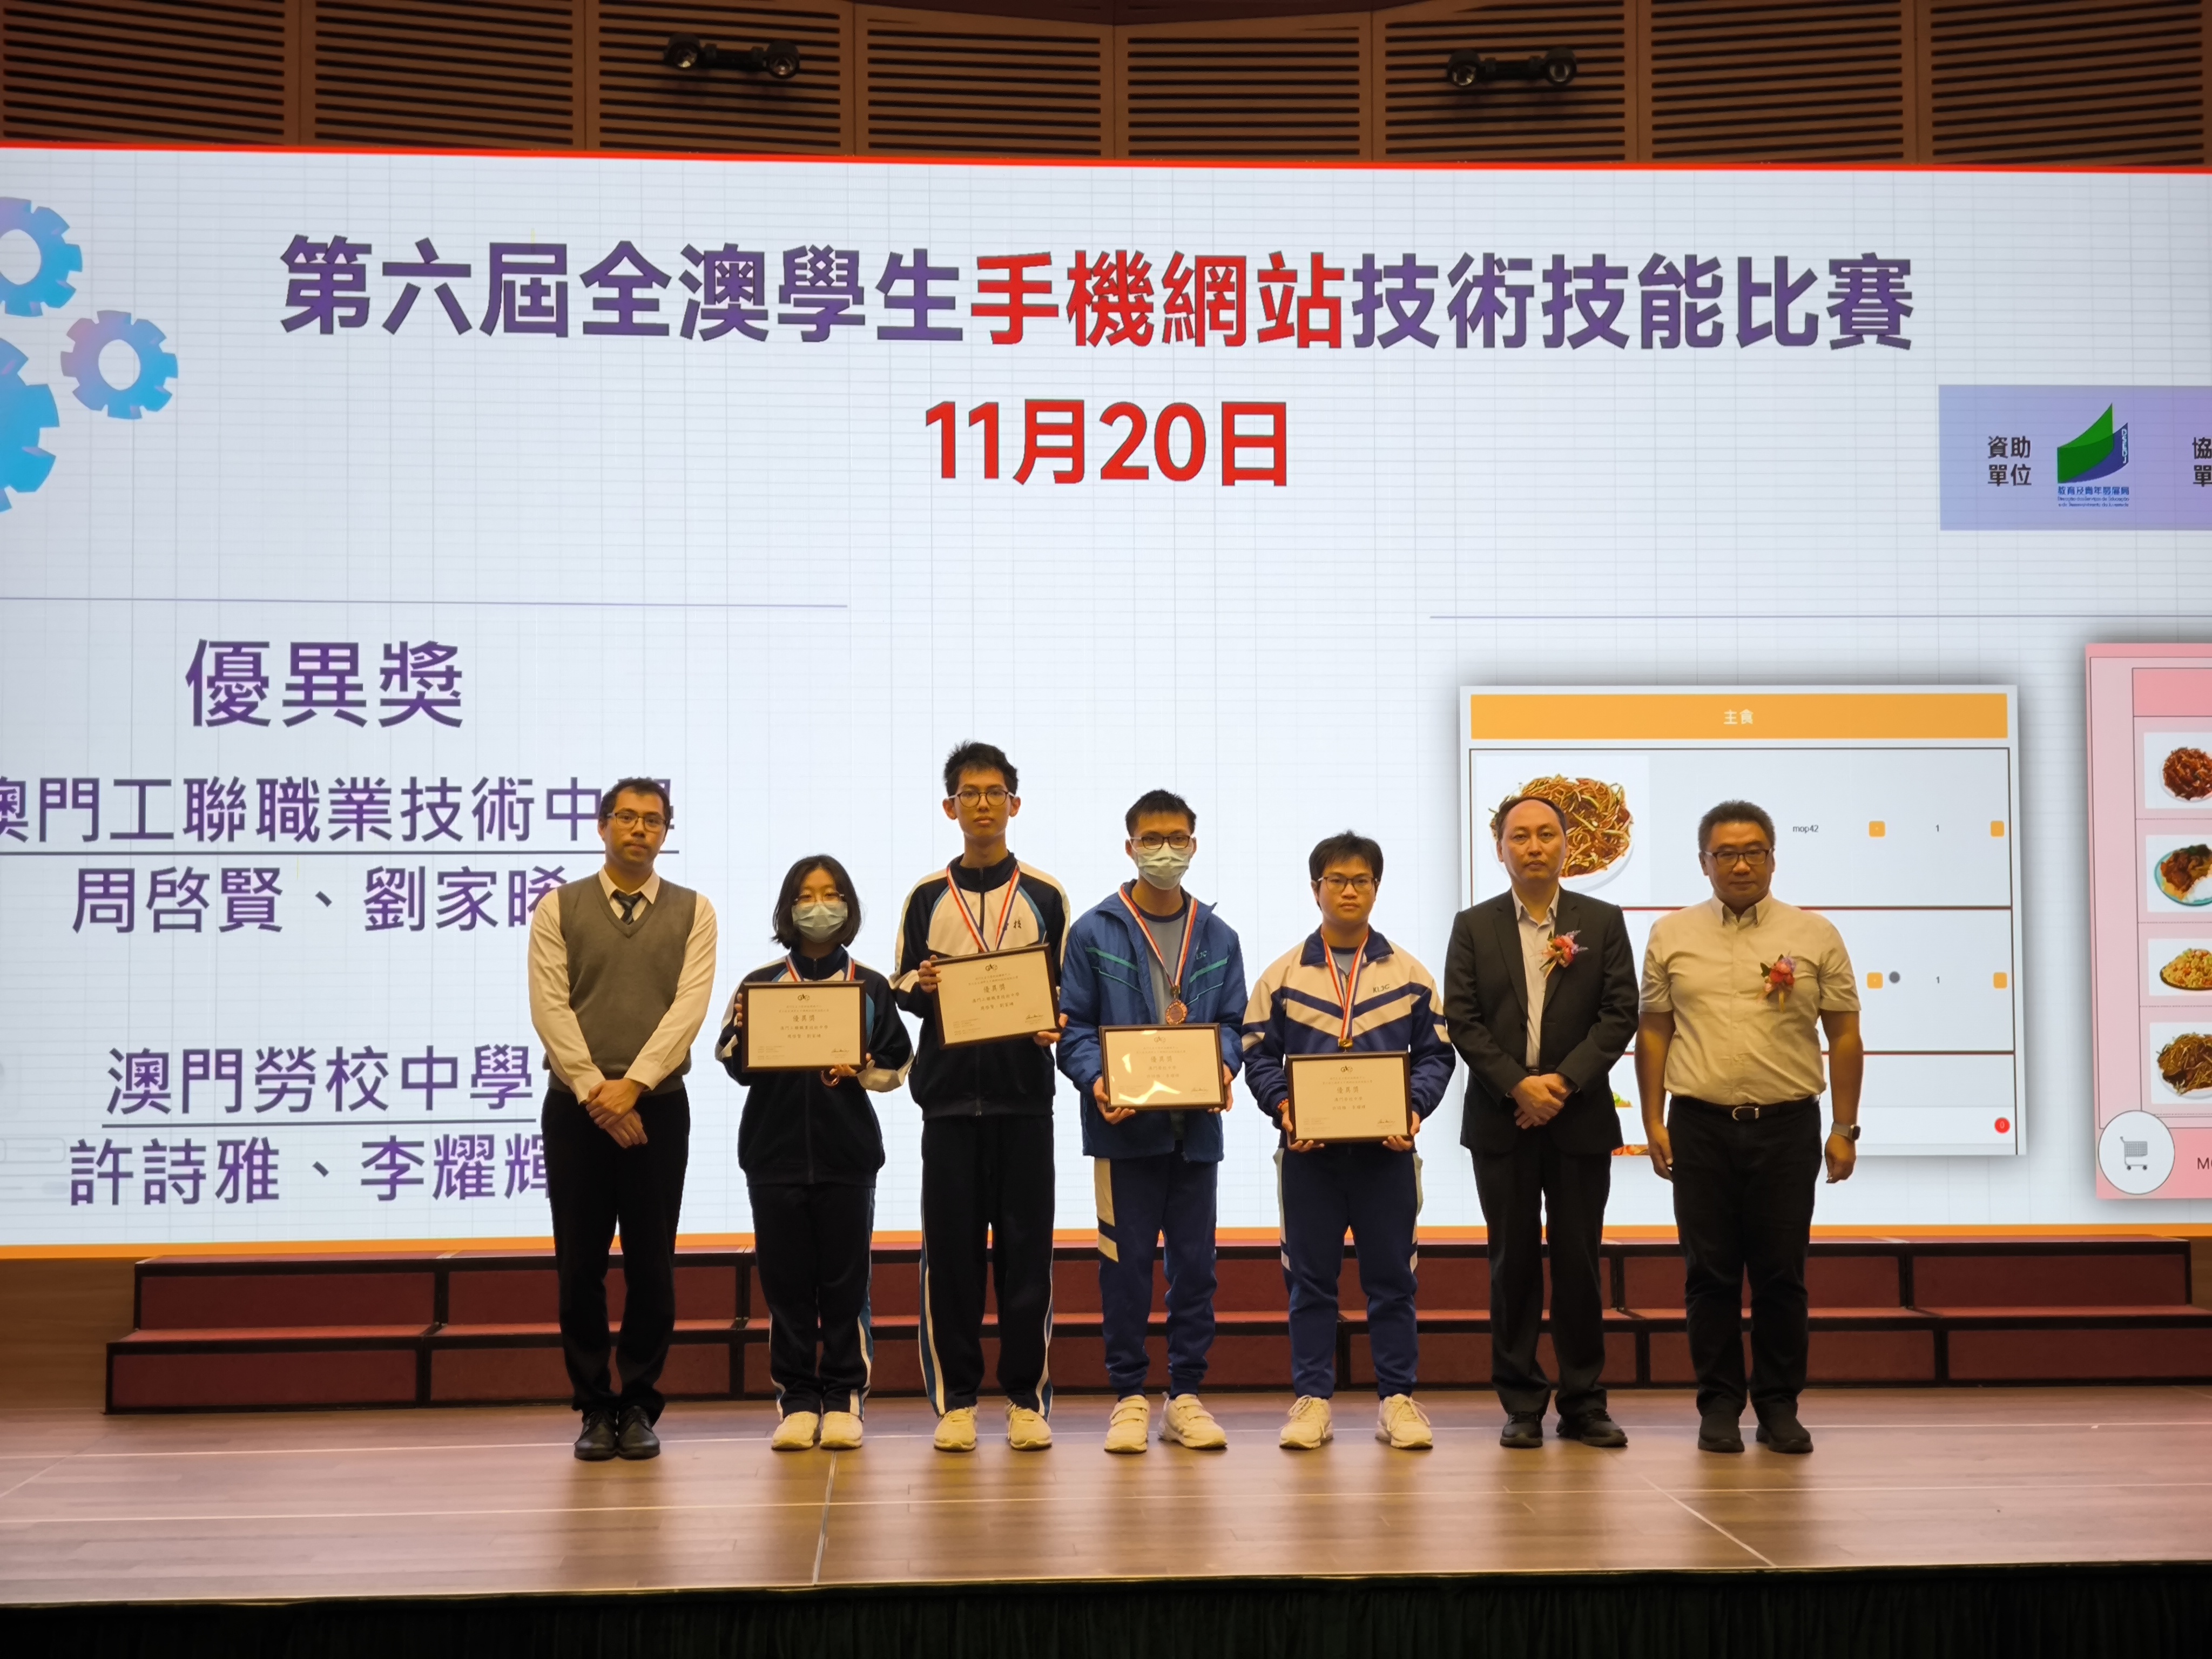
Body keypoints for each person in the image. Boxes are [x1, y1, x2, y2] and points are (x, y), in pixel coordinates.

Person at [1636, 799, 1863, 1456]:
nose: (1741, 865)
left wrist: (1844, 1127)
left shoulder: (1815, 934)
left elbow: (1844, 1036)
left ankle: (1778, 1406)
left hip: (1787, 1127)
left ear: (1772, 858)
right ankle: (1717, 1406)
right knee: (1707, 1274)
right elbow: (1653, 1032)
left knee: (1780, 1275)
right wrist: (1652, 1119)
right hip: (1699, 1125)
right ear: (1703, 862)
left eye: (1753, 852)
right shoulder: (1670, 934)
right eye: (1726, 854)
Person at [1242, 831, 1456, 1452]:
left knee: (1393, 1281)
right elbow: (1257, 1055)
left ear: (1376, 888)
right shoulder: (1283, 975)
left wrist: (1413, 1109)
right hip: (1308, 1159)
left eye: (1361, 880)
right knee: (1310, 1283)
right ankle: (1312, 1400)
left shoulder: (1409, 974)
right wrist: (1285, 1109)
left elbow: (1437, 1055)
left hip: (1387, 1157)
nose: (1348, 890)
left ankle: (1397, 1400)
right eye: (1336, 880)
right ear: (1316, 889)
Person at [527, 777, 718, 1462]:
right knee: (579, 1264)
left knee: (651, 1263)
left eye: (653, 820)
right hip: (576, 1109)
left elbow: (690, 1007)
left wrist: (633, 1087)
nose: (640, 829)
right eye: (627, 818)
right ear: (602, 825)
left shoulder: (695, 911)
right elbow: (550, 1006)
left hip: (658, 1106)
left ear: (667, 831)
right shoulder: (558, 906)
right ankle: (593, 1406)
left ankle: (638, 1403)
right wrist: (595, 1093)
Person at [1443, 794, 1640, 1451]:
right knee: (1513, 1262)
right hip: (1501, 1117)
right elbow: (1462, 1018)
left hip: (1577, 1114)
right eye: (1519, 836)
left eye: (1546, 834)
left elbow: (1619, 1013)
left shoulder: (1601, 921)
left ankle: (1584, 1402)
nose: (1533, 846)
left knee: (1579, 1261)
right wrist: (1517, 1086)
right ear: (1499, 848)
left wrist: (1560, 1082)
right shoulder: (1473, 925)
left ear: (1566, 845)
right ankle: (1521, 1401)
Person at [892, 741, 1071, 1453]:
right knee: (952, 1259)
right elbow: (901, 984)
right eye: (969, 793)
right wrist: (924, 984)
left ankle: (1025, 1398)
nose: (983, 805)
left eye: (995, 792)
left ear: (1014, 804)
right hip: (947, 1107)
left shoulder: (1046, 895)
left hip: (1024, 1103)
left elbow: (1065, 994)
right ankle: (957, 1401)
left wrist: (1055, 1020)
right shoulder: (926, 897)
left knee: (1027, 1257)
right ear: (950, 807)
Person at [1057, 790, 1247, 1454]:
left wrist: (1223, 1068)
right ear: (1129, 846)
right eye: (1151, 839)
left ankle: (1185, 1396)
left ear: (1194, 845)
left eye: (1176, 839)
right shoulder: (1093, 931)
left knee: (1195, 1269)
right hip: (1123, 1133)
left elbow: (1234, 1026)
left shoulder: (1219, 936)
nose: (1164, 851)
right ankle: (1129, 1397)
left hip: (1195, 1135)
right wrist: (1097, 1080)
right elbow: (1074, 1029)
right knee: (1125, 1268)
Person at [716, 854, 913, 1453]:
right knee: (786, 1288)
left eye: (831, 894)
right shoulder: (759, 984)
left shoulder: (870, 985)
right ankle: (798, 1400)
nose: (818, 906)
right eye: (806, 896)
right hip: (772, 1156)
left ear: (848, 906)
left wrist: (860, 1069)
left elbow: (897, 1064)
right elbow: (732, 1062)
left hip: (847, 1157)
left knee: (846, 1286)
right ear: (788, 908)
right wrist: (746, 1031)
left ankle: (845, 1397)